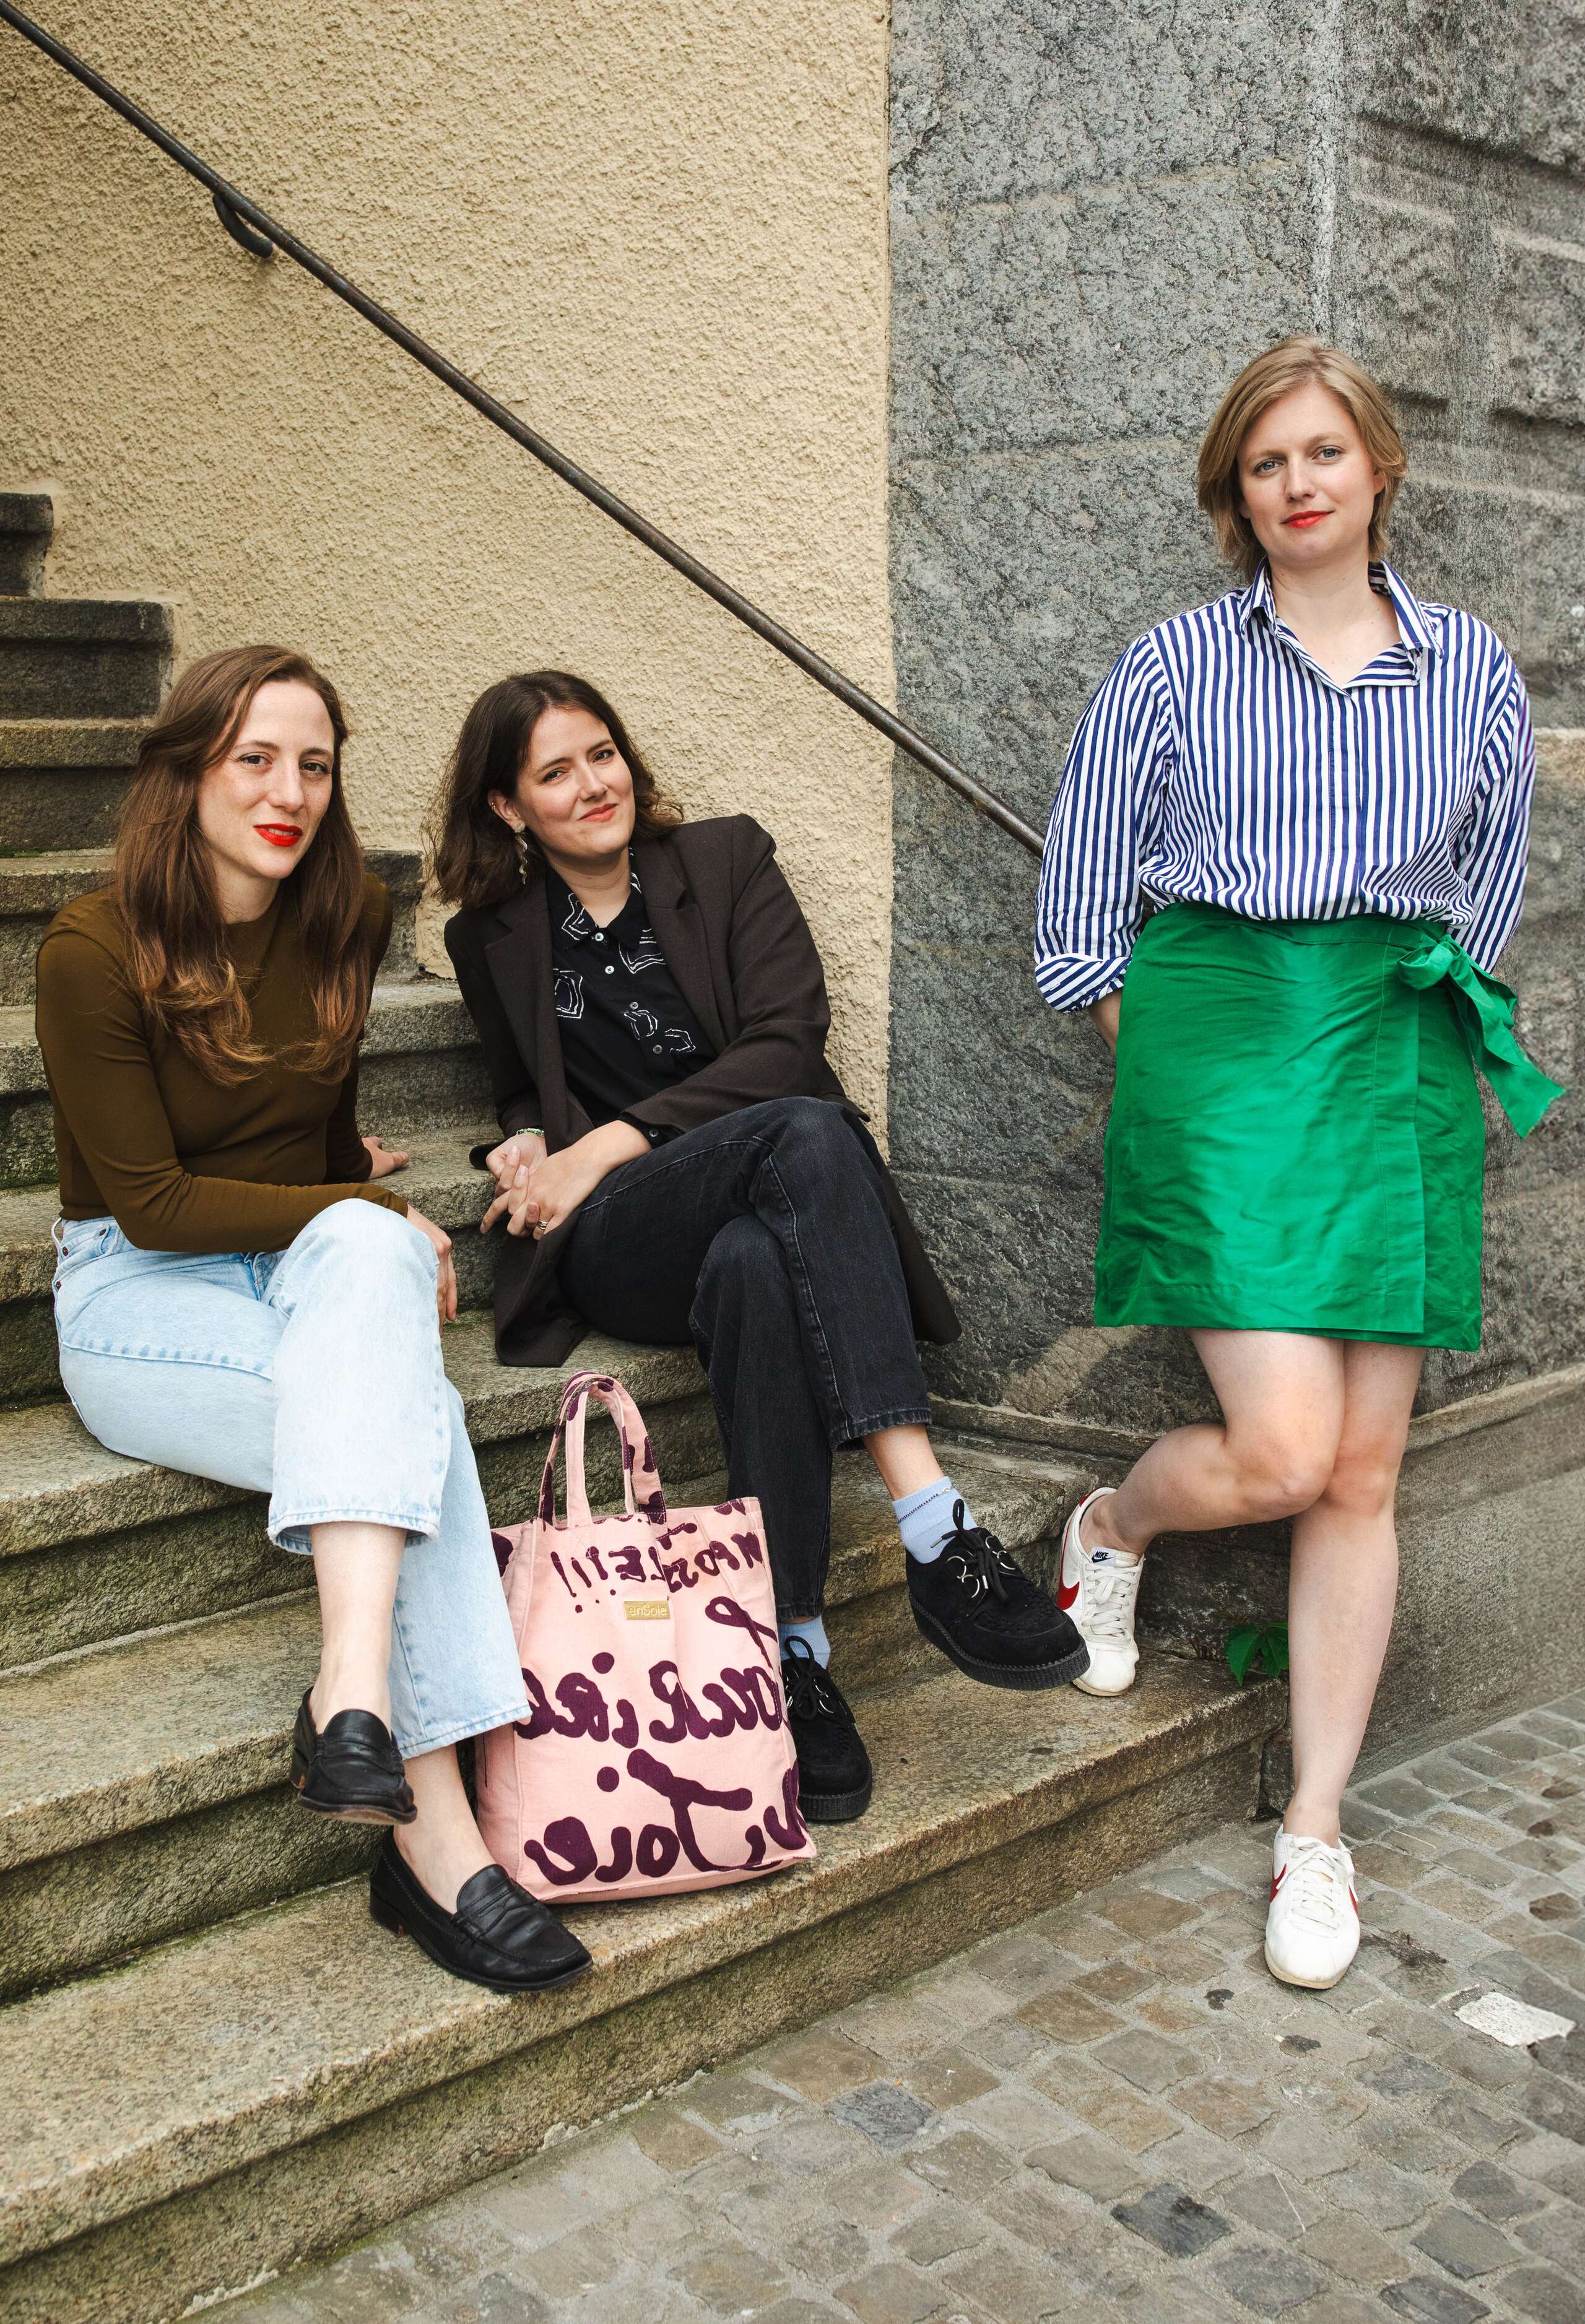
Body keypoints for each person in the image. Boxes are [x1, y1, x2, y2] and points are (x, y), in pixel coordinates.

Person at [1035, 336, 1564, 1992]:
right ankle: (1110, 1524)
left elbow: (1494, 868)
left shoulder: (1470, 665)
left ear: (1378, 469)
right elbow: (1085, 880)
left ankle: (1315, 1828)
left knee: (1361, 1474)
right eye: (1266, 464)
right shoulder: (1175, 663)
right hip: (1227, 1046)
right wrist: (1161, 1052)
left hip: (1392, 1055)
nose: (1297, 484)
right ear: (1235, 492)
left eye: (1323, 453)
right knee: (1279, 1451)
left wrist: (1422, 1024)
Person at [433, 672, 1088, 1821]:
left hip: (745, 1198)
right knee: (809, 1130)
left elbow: (789, 1040)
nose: (593, 784)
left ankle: (790, 1652)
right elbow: (511, 1086)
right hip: (619, 1235)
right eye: (555, 773)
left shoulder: (726, 861)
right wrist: (534, 1144)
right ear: (507, 810)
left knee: (757, 1250)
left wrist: (602, 1143)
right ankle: (936, 1530)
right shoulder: (490, 934)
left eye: (603, 753)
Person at [35, 644, 589, 1994]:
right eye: (254, 760)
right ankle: (441, 1847)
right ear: (185, 776)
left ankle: (351, 1701)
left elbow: (314, 1136)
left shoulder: (335, 916)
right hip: (135, 1293)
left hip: (291, 1268)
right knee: (410, 1400)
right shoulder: (90, 947)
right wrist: (358, 1210)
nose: (289, 792)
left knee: (364, 1258)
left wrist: (355, 1186)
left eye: (316, 764)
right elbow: (159, 1204)